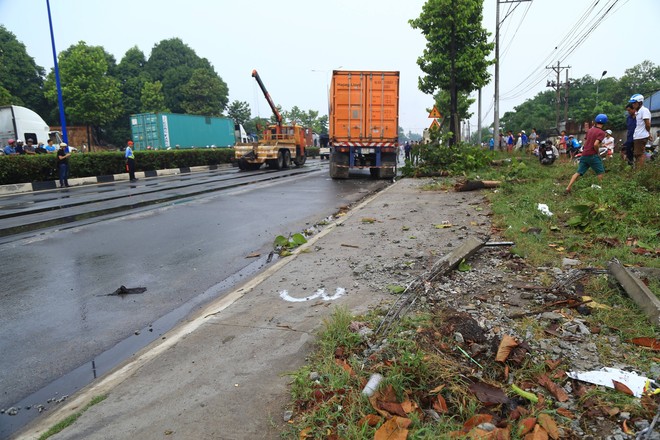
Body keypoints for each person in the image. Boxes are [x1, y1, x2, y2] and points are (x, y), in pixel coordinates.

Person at [565, 114, 608, 193]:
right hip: (593, 155)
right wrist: (597, 152)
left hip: (584, 154)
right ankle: (603, 190)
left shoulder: (590, 130)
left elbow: (586, 141)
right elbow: (595, 144)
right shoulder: (602, 133)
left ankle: (568, 187)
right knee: (600, 172)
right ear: (605, 123)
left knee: (578, 172)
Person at [629, 93, 652, 167]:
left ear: (640, 102)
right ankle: (639, 170)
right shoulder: (638, 112)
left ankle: (640, 171)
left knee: (639, 154)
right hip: (638, 135)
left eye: (634, 103)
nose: (633, 105)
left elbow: (647, 124)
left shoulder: (644, 110)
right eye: (632, 103)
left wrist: (648, 133)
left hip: (641, 136)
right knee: (636, 154)